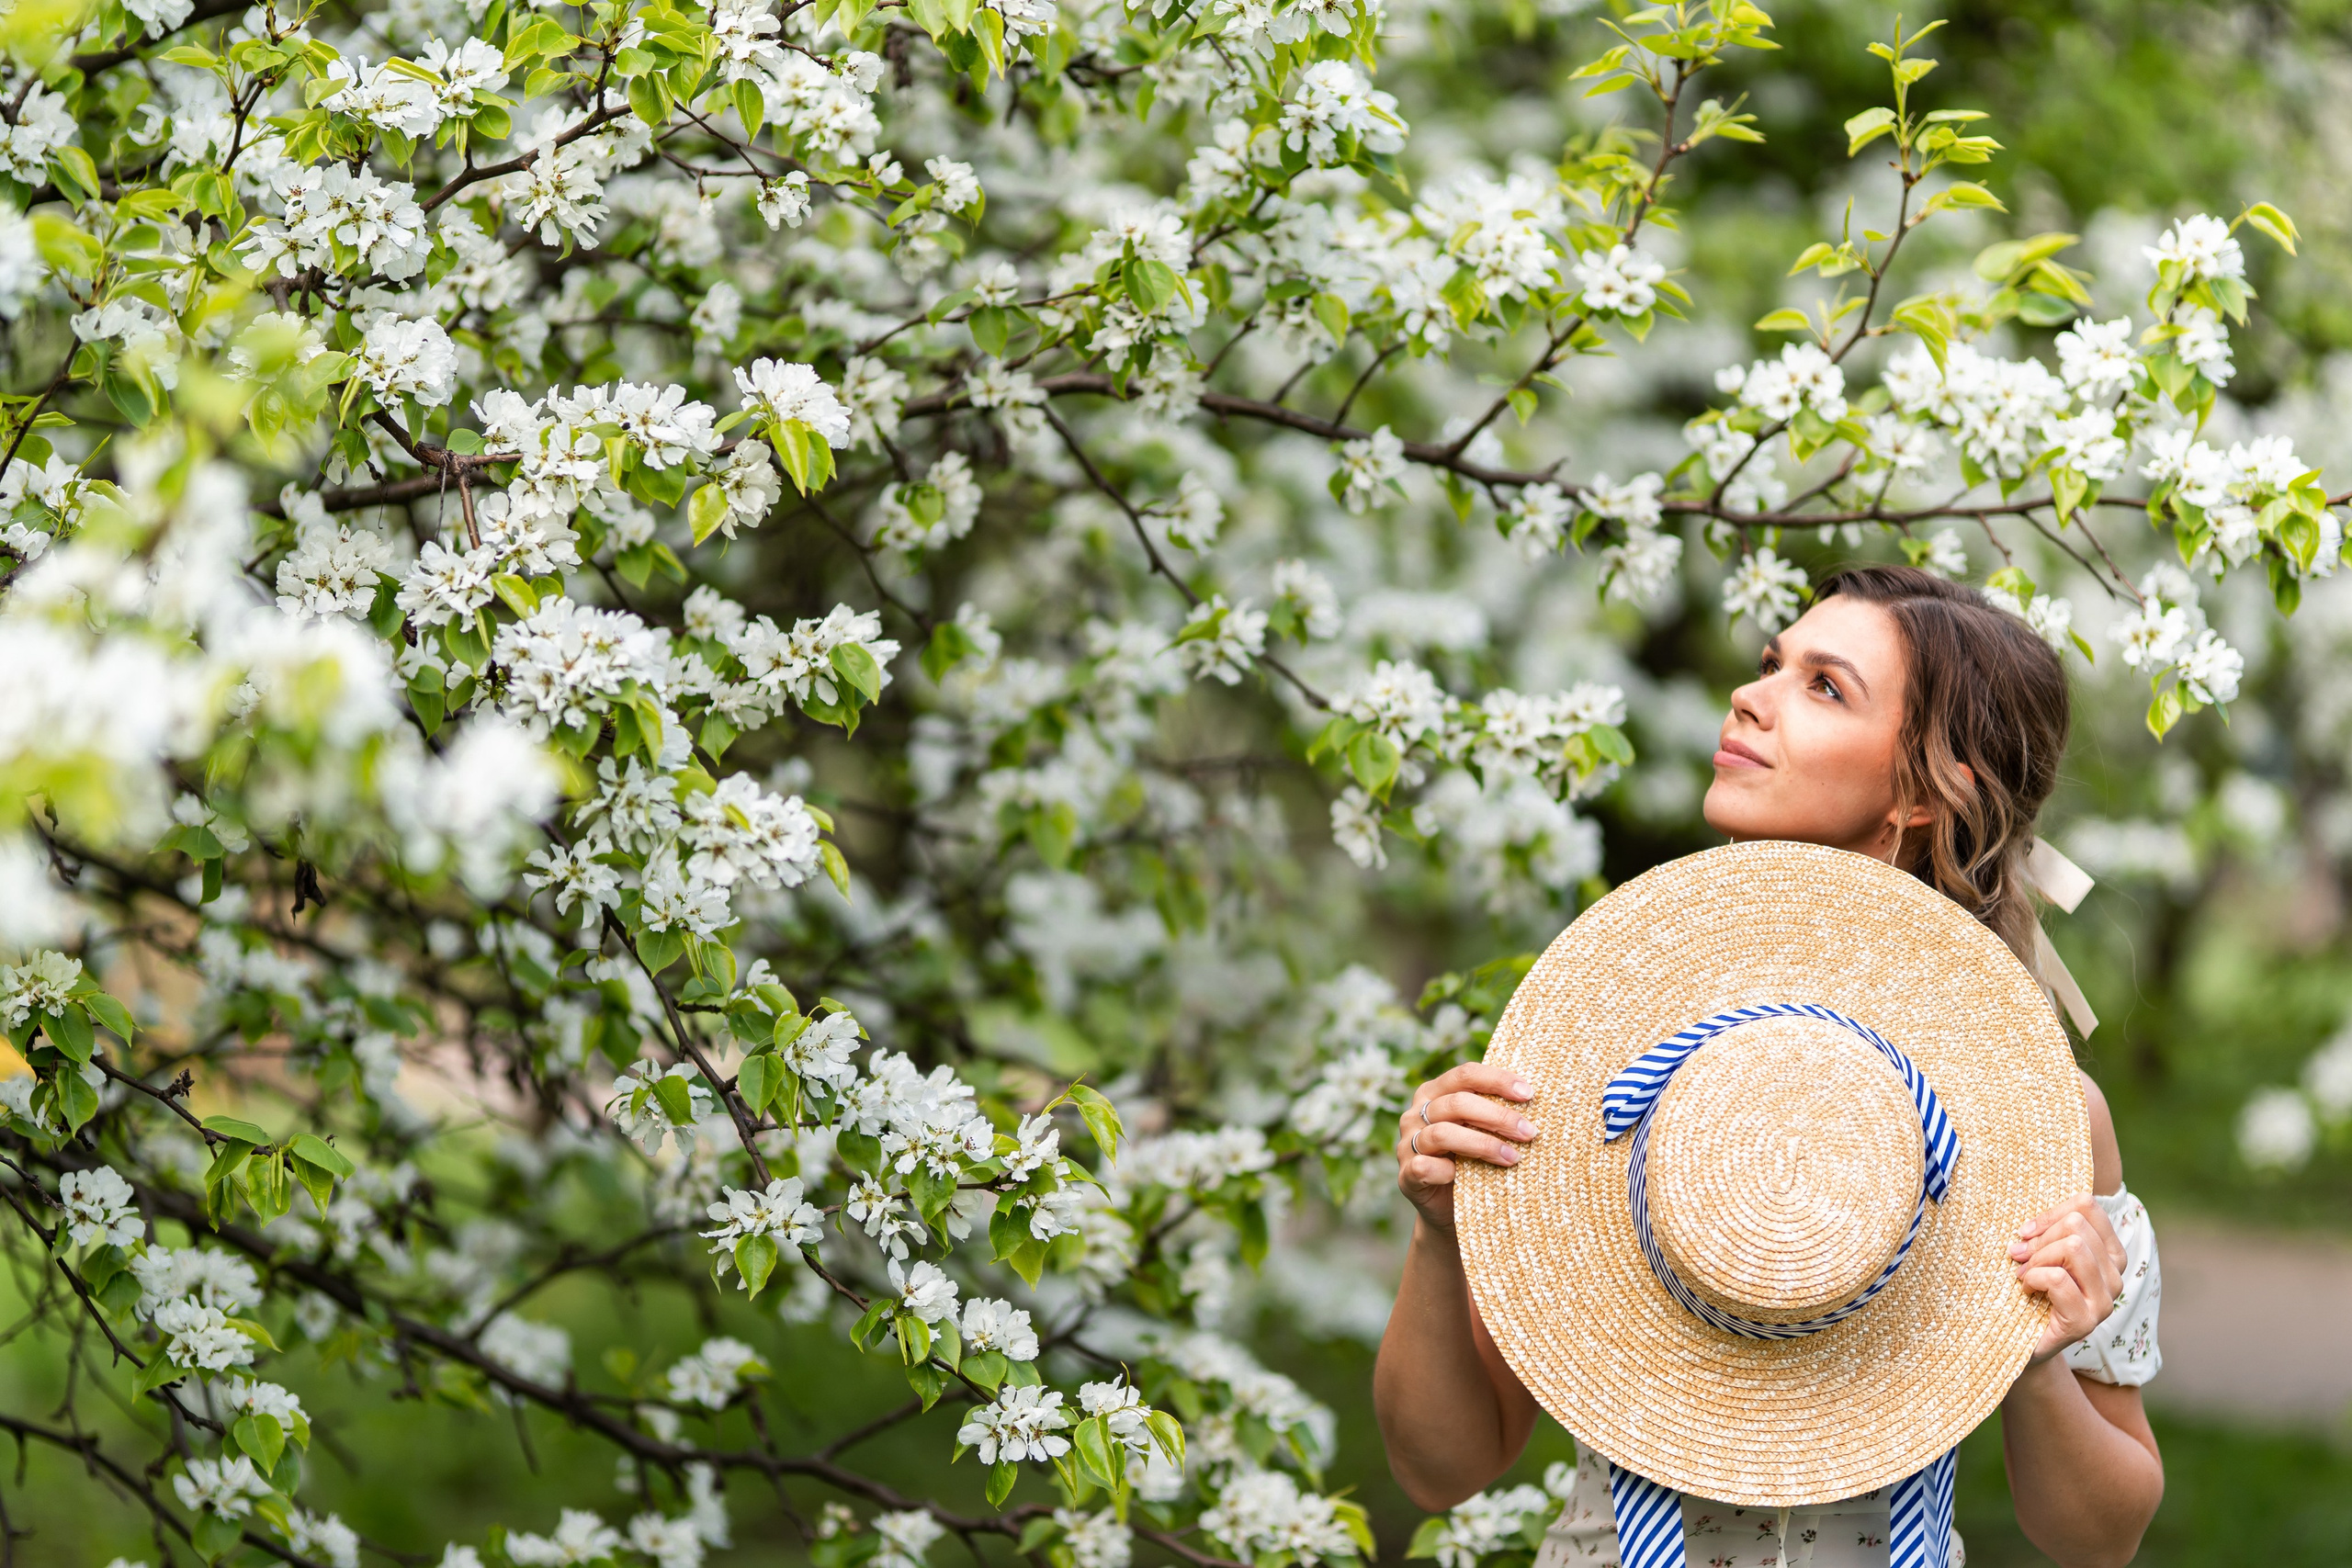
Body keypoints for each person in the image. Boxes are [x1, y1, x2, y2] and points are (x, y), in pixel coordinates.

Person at [1373, 566, 2165, 1568]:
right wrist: (1442, 1238)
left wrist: (2028, 1360)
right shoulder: (1600, 1045)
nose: (1752, 695)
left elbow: (2101, 1542)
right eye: (1770, 665)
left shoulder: (2030, 1116)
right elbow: (1440, 1470)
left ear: (1929, 793)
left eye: (1823, 685)